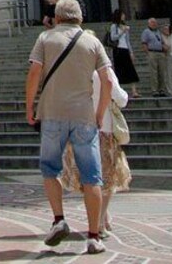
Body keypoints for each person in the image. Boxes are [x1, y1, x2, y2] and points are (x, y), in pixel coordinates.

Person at [25, 0, 112, 255]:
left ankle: (59, 219)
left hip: (51, 113)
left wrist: (29, 106)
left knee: (50, 169)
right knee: (91, 176)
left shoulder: (45, 38)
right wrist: (99, 112)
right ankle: (94, 236)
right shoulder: (92, 41)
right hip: (84, 115)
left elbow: (34, 74)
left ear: (57, 17)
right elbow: (107, 80)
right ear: (80, 18)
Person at [60, 65, 131, 238]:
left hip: (78, 130)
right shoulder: (102, 70)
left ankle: (102, 217)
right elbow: (121, 98)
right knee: (106, 178)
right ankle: (99, 222)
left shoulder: (73, 70)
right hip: (103, 129)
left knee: (89, 178)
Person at [109, 10, 140, 98]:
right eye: (122, 15)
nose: (124, 16)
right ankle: (119, 91)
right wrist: (122, 31)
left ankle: (134, 91)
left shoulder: (125, 26)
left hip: (125, 49)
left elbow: (127, 40)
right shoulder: (114, 26)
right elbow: (113, 37)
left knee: (130, 69)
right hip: (118, 49)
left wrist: (131, 51)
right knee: (119, 70)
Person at [140, 18, 171, 97]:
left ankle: (162, 89)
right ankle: (154, 90)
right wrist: (148, 52)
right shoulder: (146, 32)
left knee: (162, 72)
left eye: (155, 22)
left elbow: (162, 41)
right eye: (153, 22)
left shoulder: (158, 32)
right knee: (154, 72)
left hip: (160, 52)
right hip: (152, 52)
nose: (154, 24)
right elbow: (144, 43)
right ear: (149, 23)